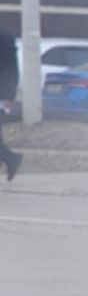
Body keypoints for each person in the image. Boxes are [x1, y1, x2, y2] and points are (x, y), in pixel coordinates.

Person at [0, 28, 21, 181]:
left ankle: (10, 158)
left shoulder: (4, 38)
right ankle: (10, 158)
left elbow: (11, 68)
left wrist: (8, 95)